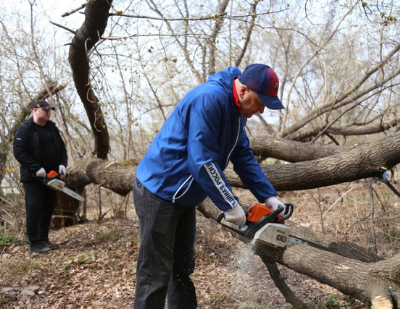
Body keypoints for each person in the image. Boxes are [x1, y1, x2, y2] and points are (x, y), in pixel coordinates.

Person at [133, 64, 288, 308]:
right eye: (260, 102)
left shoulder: (238, 113)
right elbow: (201, 160)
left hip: (184, 196)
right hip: (160, 190)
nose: (260, 110)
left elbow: (244, 156)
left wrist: (268, 196)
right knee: (154, 275)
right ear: (244, 90)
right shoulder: (210, 98)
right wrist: (230, 204)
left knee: (181, 268)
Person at [13, 100, 67, 253]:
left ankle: (43, 238)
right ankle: (34, 243)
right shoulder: (25, 130)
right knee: (34, 209)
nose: (49, 112)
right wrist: (35, 168)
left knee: (48, 208)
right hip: (33, 177)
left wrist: (62, 164)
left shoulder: (52, 128)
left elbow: (61, 148)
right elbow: (19, 152)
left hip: (52, 176)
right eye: (45, 110)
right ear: (35, 111)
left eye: (50, 110)